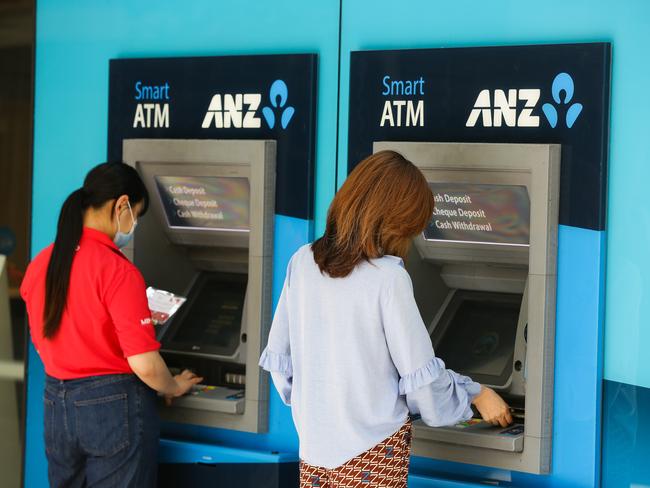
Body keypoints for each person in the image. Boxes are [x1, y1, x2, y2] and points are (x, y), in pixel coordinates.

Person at [259, 150, 512, 488]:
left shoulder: (302, 262)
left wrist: (326, 407)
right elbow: (421, 381)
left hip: (314, 456)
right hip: (372, 456)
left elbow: (282, 367)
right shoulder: (388, 278)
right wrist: (475, 394)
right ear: (395, 220)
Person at [21, 162, 203, 487]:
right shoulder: (117, 271)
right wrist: (174, 385)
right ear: (121, 205)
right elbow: (145, 364)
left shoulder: (42, 262)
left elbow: (42, 337)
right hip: (111, 408)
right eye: (137, 214)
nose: (134, 224)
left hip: (56, 403)